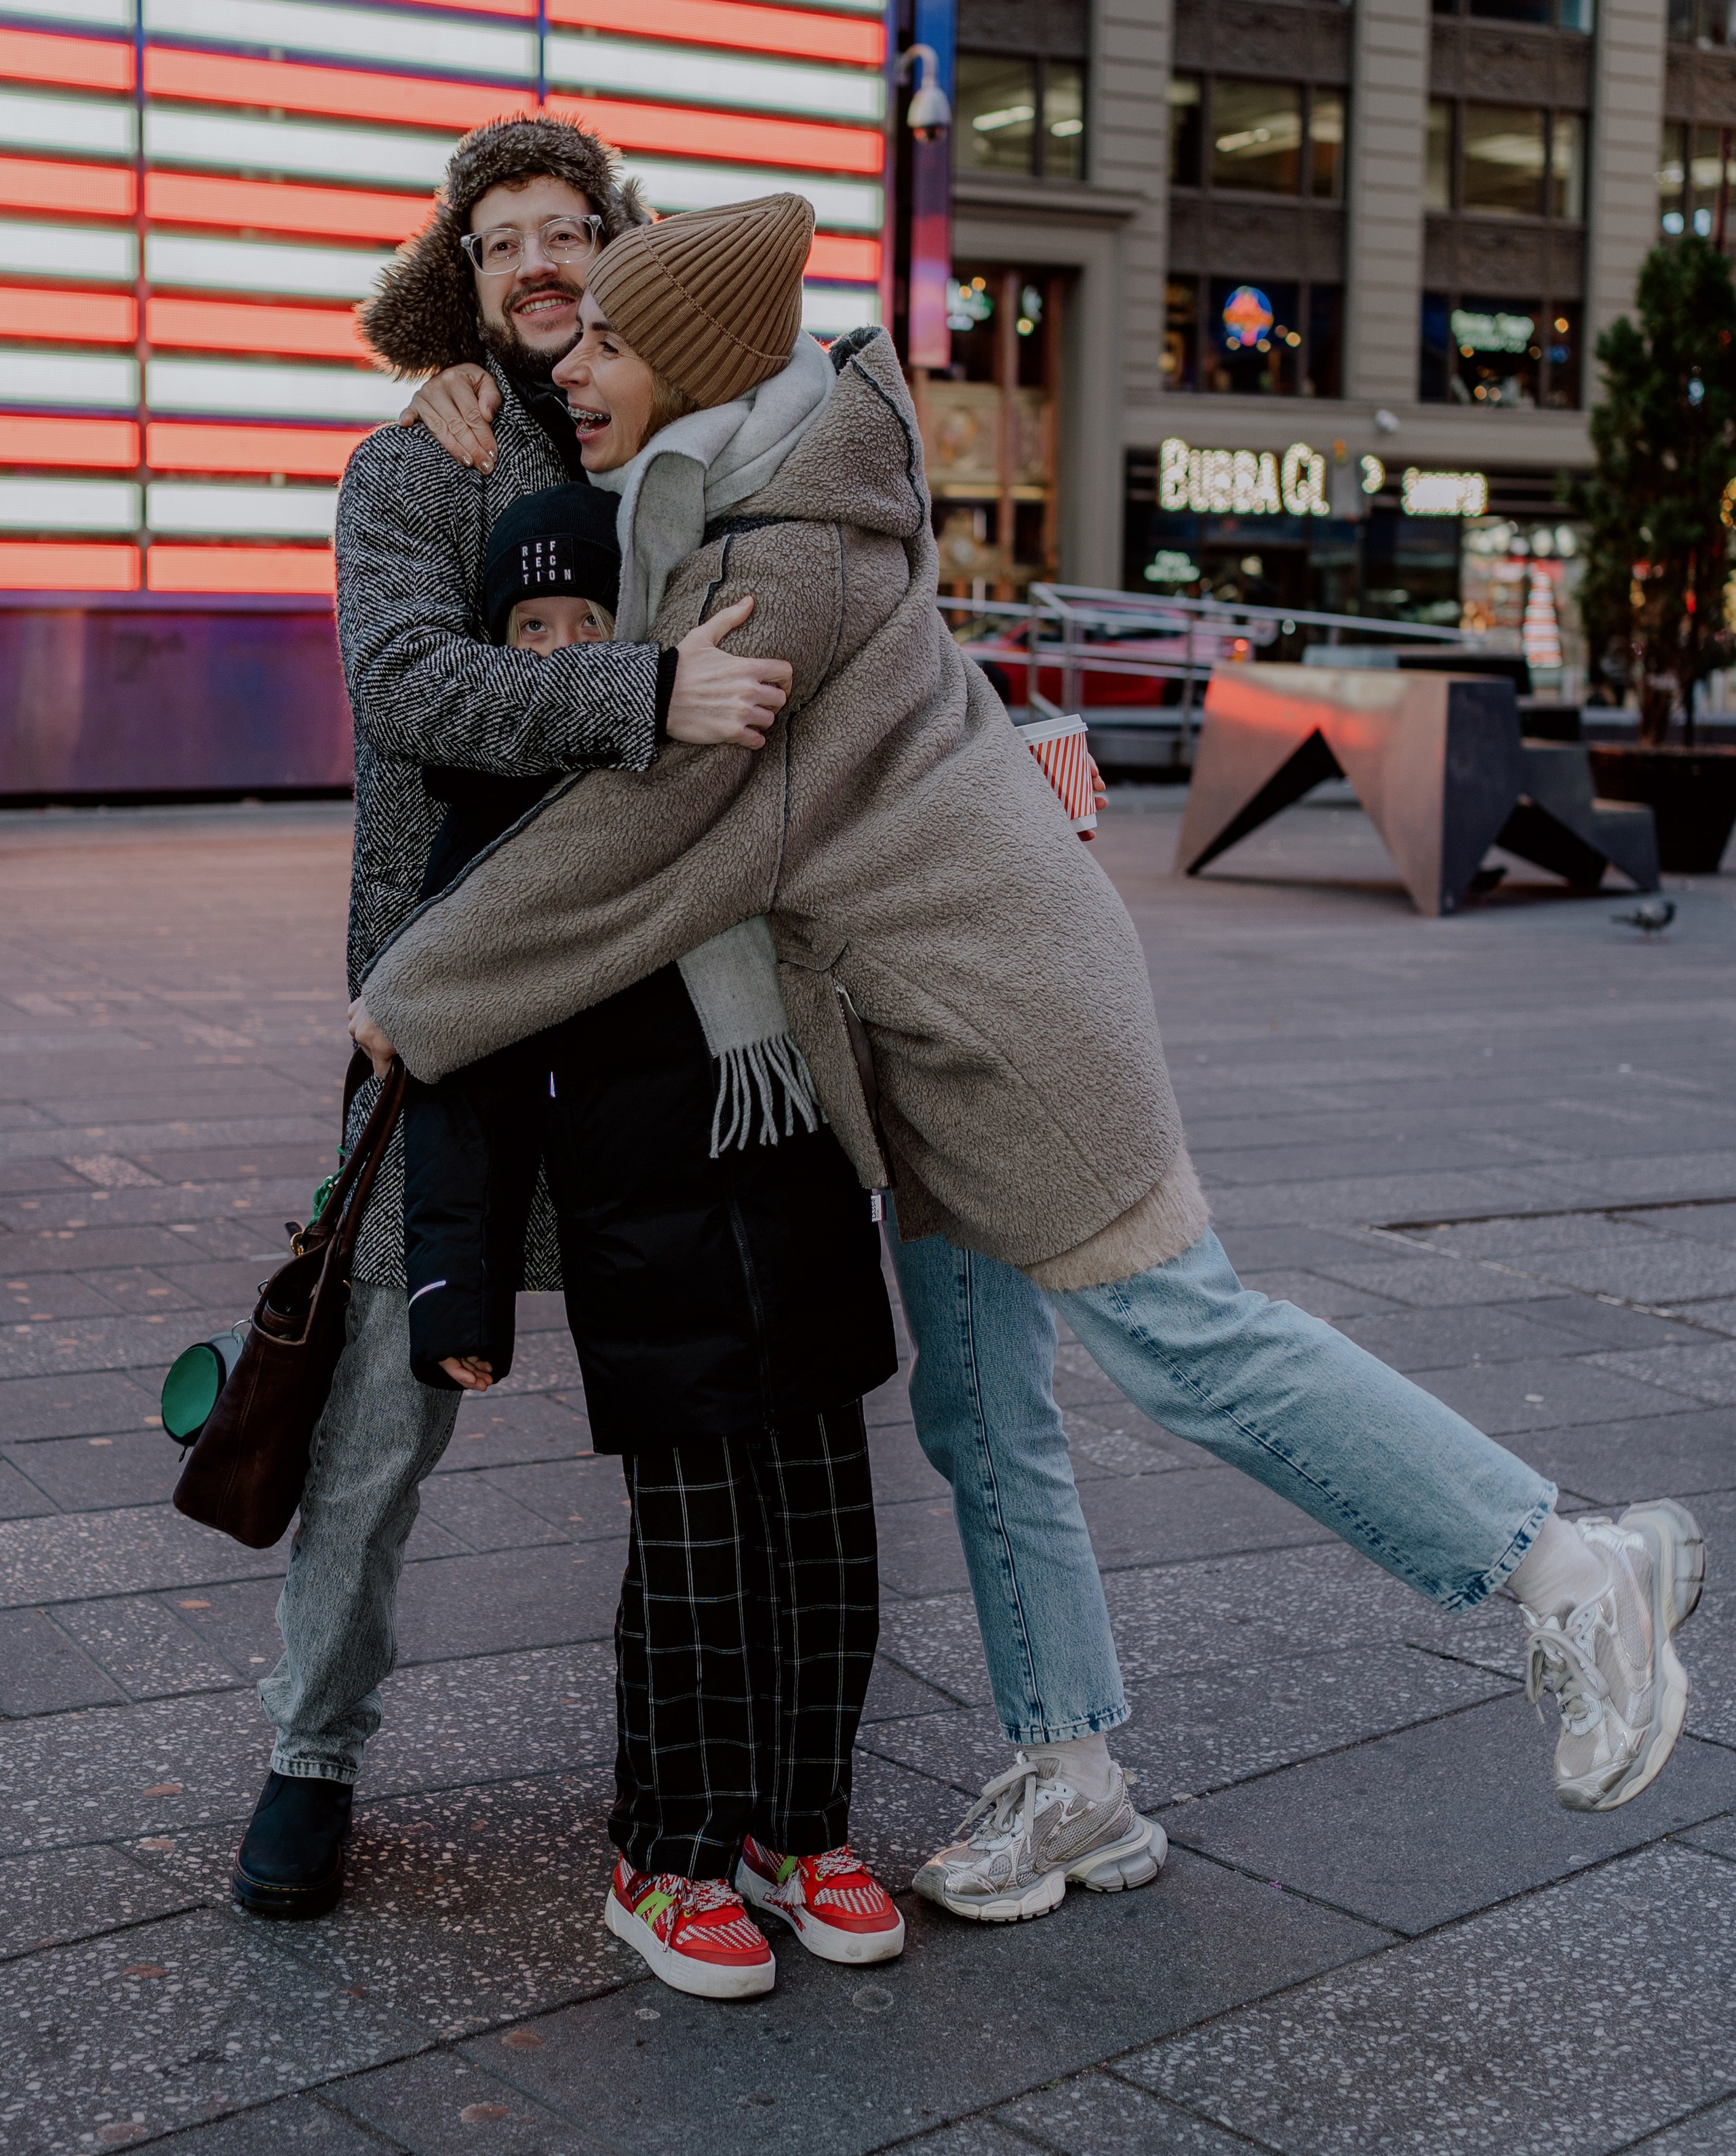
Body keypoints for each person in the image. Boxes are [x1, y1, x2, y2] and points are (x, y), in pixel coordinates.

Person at [352, 188, 1708, 1925]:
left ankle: (1561, 1562)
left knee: (1193, 1343)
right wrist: (444, 386)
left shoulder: (773, 564)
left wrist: (420, 988)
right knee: (981, 1408)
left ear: (691, 367)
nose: (574, 362)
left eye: (611, 338)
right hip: (917, 1032)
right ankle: (1073, 1776)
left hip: (1007, 1024)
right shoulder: (742, 487)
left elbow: (653, 840)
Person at [231, 117, 796, 1923]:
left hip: (648, 1004)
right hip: (454, 1003)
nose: (542, 265)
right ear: (459, 282)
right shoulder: (414, 463)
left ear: (618, 246)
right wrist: (642, 693)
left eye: (570, 231)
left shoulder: (684, 438)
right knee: (375, 1423)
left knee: (683, 1419)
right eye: (503, 244)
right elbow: (406, 683)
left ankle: (690, 1787)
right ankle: (310, 1754)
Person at [391, 475, 905, 1997]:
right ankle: (664, 1854)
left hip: (798, 1189)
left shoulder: (729, 758)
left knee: (828, 1542)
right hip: (644, 1230)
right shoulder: (503, 826)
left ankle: (797, 1829)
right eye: (528, 631)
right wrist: (453, 1290)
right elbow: (457, 1064)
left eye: (587, 617)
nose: (561, 650)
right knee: (694, 1562)